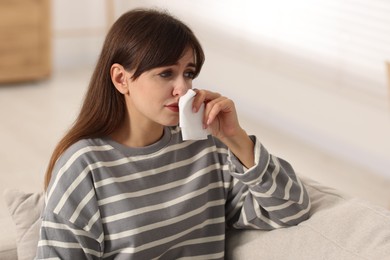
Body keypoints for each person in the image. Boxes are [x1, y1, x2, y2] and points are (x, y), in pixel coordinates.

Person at [36, 8, 311, 259]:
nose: (183, 89)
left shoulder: (206, 147)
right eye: (166, 74)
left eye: (188, 73)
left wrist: (234, 136)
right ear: (121, 79)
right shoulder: (83, 167)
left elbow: (292, 209)